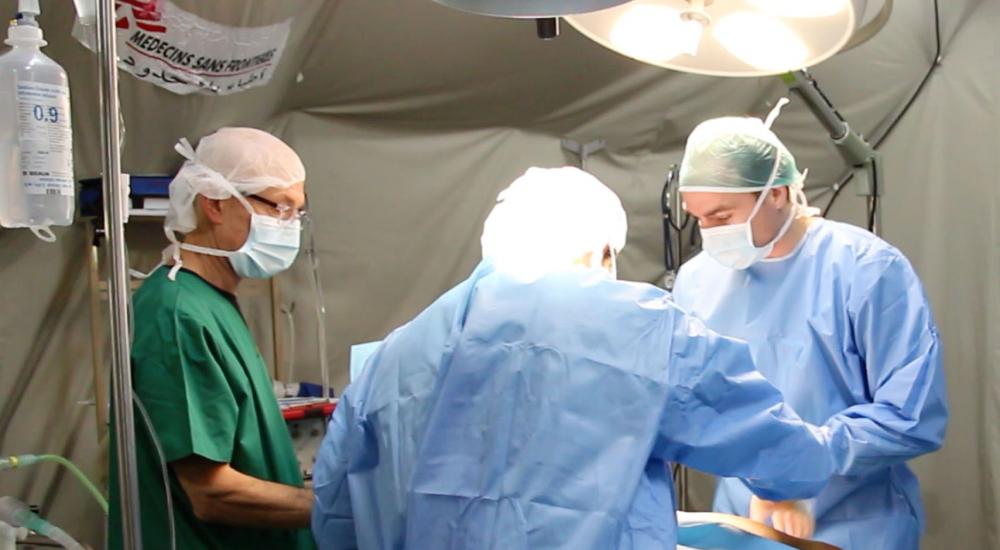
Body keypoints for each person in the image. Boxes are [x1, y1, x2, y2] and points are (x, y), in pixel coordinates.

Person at [312, 166, 838, 550]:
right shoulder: (638, 325)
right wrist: (785, 488)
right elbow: (775, 445)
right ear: (601, 252)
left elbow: (334, 513)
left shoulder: (396, 353)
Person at [672, 111, 949, 549]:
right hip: (744, 521)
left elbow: (911, 416)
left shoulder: (867, 270)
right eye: (698, 219)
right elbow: (691, 400)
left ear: (777, 193)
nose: (709, 233)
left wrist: (797, 466)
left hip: (858, 524)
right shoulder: (697, 280)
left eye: (722, 217)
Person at [108, 128, 315, 549]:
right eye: (280, 207)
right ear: (215, 204)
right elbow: (211, 492)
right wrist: (341, 504)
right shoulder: (177, 314)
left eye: (297, 212)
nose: (289, 225)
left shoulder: (212, 301)